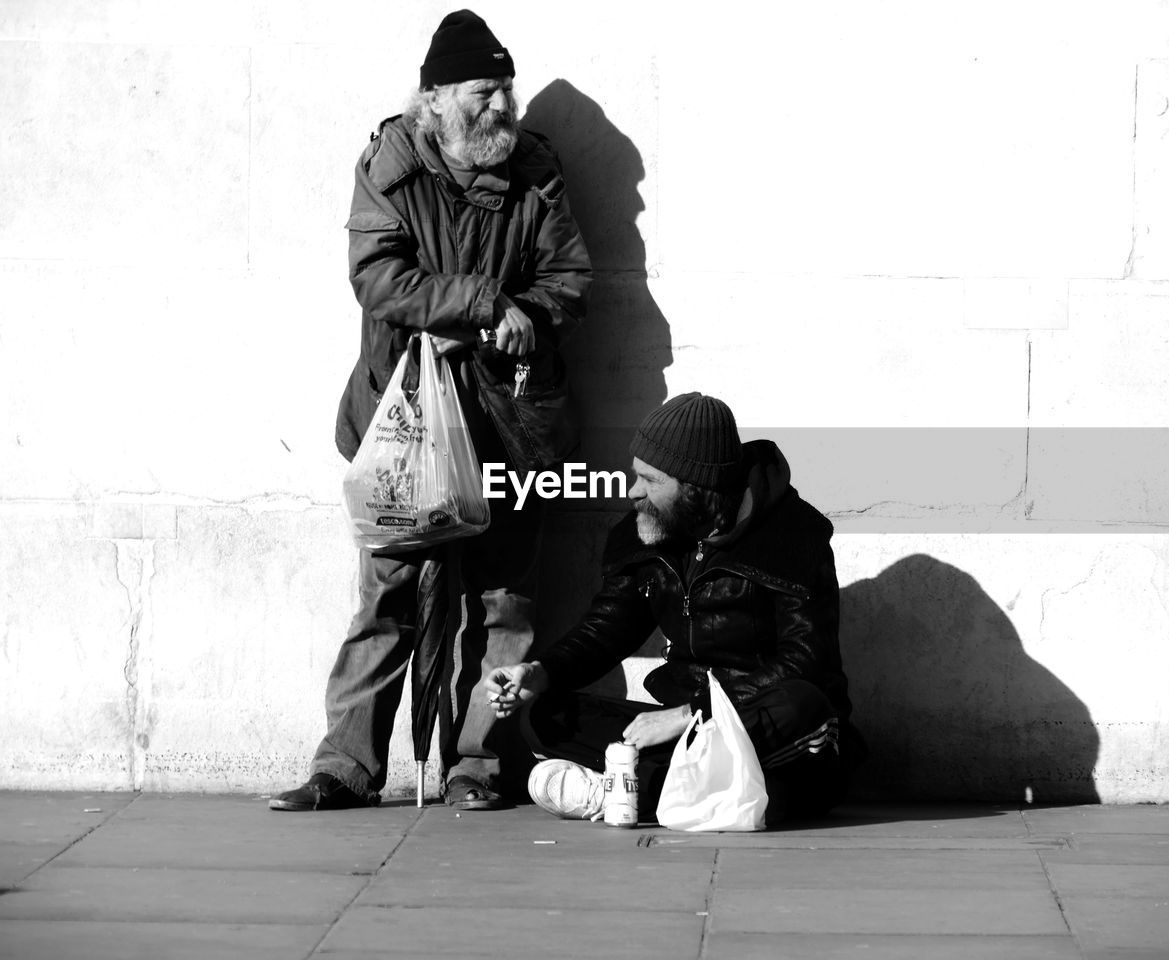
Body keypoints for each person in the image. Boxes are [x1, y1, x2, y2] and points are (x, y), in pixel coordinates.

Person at [271, 9, 590, 812]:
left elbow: (571, 281)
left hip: (511, 427)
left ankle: (478, 765)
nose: (501, 106)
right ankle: (345, 766)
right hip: (404, 427)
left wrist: (517, 327)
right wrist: (482, 304)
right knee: (387, 596)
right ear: (436, 98)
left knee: (504, 604)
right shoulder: (390, 166)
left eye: (506, 90)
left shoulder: (536, 173)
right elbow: (378, 277)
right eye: (484, 91)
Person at [485, 393, 866, 826]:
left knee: (802, 704)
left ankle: (624, 788)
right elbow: (605, 629)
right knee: (545, 712)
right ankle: (653, 786)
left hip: (765, 729)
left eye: (651, 480)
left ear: (695, 487)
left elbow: (804, 662)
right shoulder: (647, 531)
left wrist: (692, 715)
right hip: (680, 729)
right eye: (635, 475)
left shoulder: (794, 538)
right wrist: (541, 671)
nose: (633, 491)